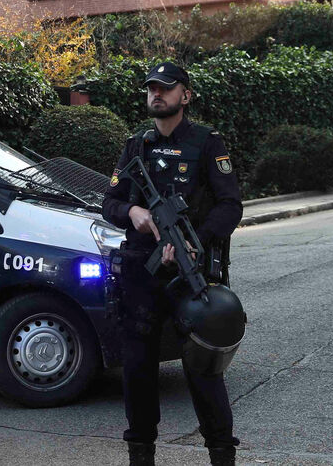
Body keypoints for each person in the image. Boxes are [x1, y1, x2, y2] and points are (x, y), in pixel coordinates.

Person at [102, 61, 243, 466]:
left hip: (190, 273)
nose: (156, 94)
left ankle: (221, 454)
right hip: (140, 273)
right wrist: (134, 213)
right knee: (138, 369)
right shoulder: (137, 145)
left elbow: (230, 205)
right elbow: (109, 201)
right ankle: (140, 455)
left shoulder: (207, 143)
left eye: (165, 88)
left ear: (186, 95)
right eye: (151, 88)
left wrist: (194, 243)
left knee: (203, 367)